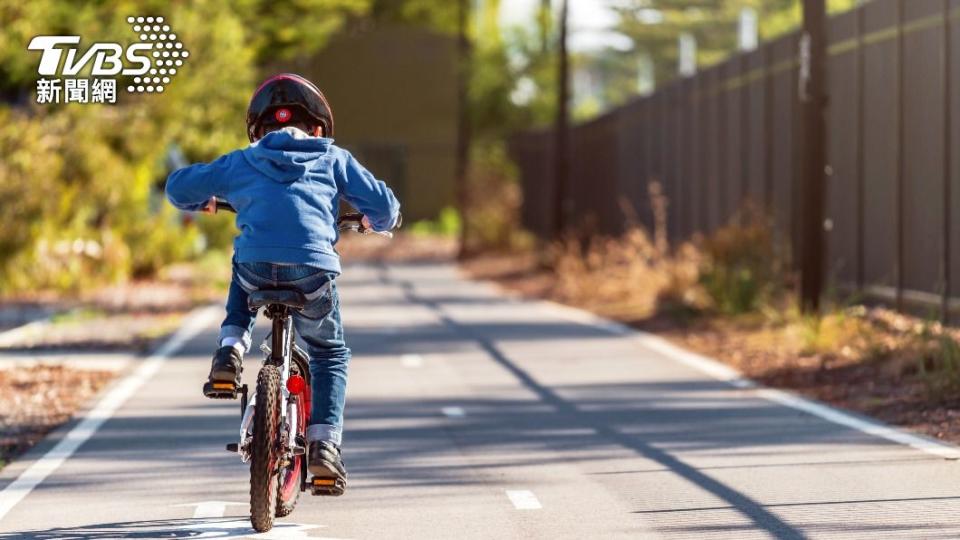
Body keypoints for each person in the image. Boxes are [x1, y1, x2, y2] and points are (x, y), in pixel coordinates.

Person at [164, 73, 401, 492]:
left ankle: (230, 350)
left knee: (244, 258)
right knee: (329, 353)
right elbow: (384, 206)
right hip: (312, 274)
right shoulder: (333, 157)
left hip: (256, 271)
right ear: (318, 128)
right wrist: (375, 221)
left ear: (259, 130)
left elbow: (178, 187)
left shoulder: (243, 160)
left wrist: (208, 199)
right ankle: (324, 447)